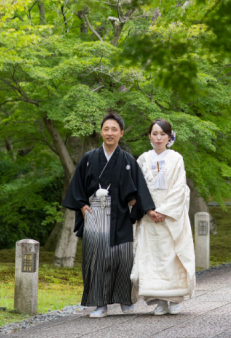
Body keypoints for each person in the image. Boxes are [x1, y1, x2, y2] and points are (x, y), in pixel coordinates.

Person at [62, 113, 160, 318]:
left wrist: (144, 207)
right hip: (95, 213)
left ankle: (125, 299)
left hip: (120, 213)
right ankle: (100, 304)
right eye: (106, 129)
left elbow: (139, 188)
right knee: (96, 260)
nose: (110, 133)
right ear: (101, 132)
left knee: (123, 258)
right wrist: (81, 206)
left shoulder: (127, 160)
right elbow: (77, 187)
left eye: (114, 129)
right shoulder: (89, 158)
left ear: (121, 133)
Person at [132, 119, 196, 315]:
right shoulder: (142, 159)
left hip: (170, 216)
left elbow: (179, 188)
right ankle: (159, 300)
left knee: (172, 256)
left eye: (162, 134)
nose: (158, 137)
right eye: (154, 133)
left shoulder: (176, 158)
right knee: (151, 257)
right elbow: (138, 188)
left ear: (169, 137)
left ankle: (175, 298)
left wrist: (164, 210)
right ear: (149, 136)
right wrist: (149, 210)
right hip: (149, 217)